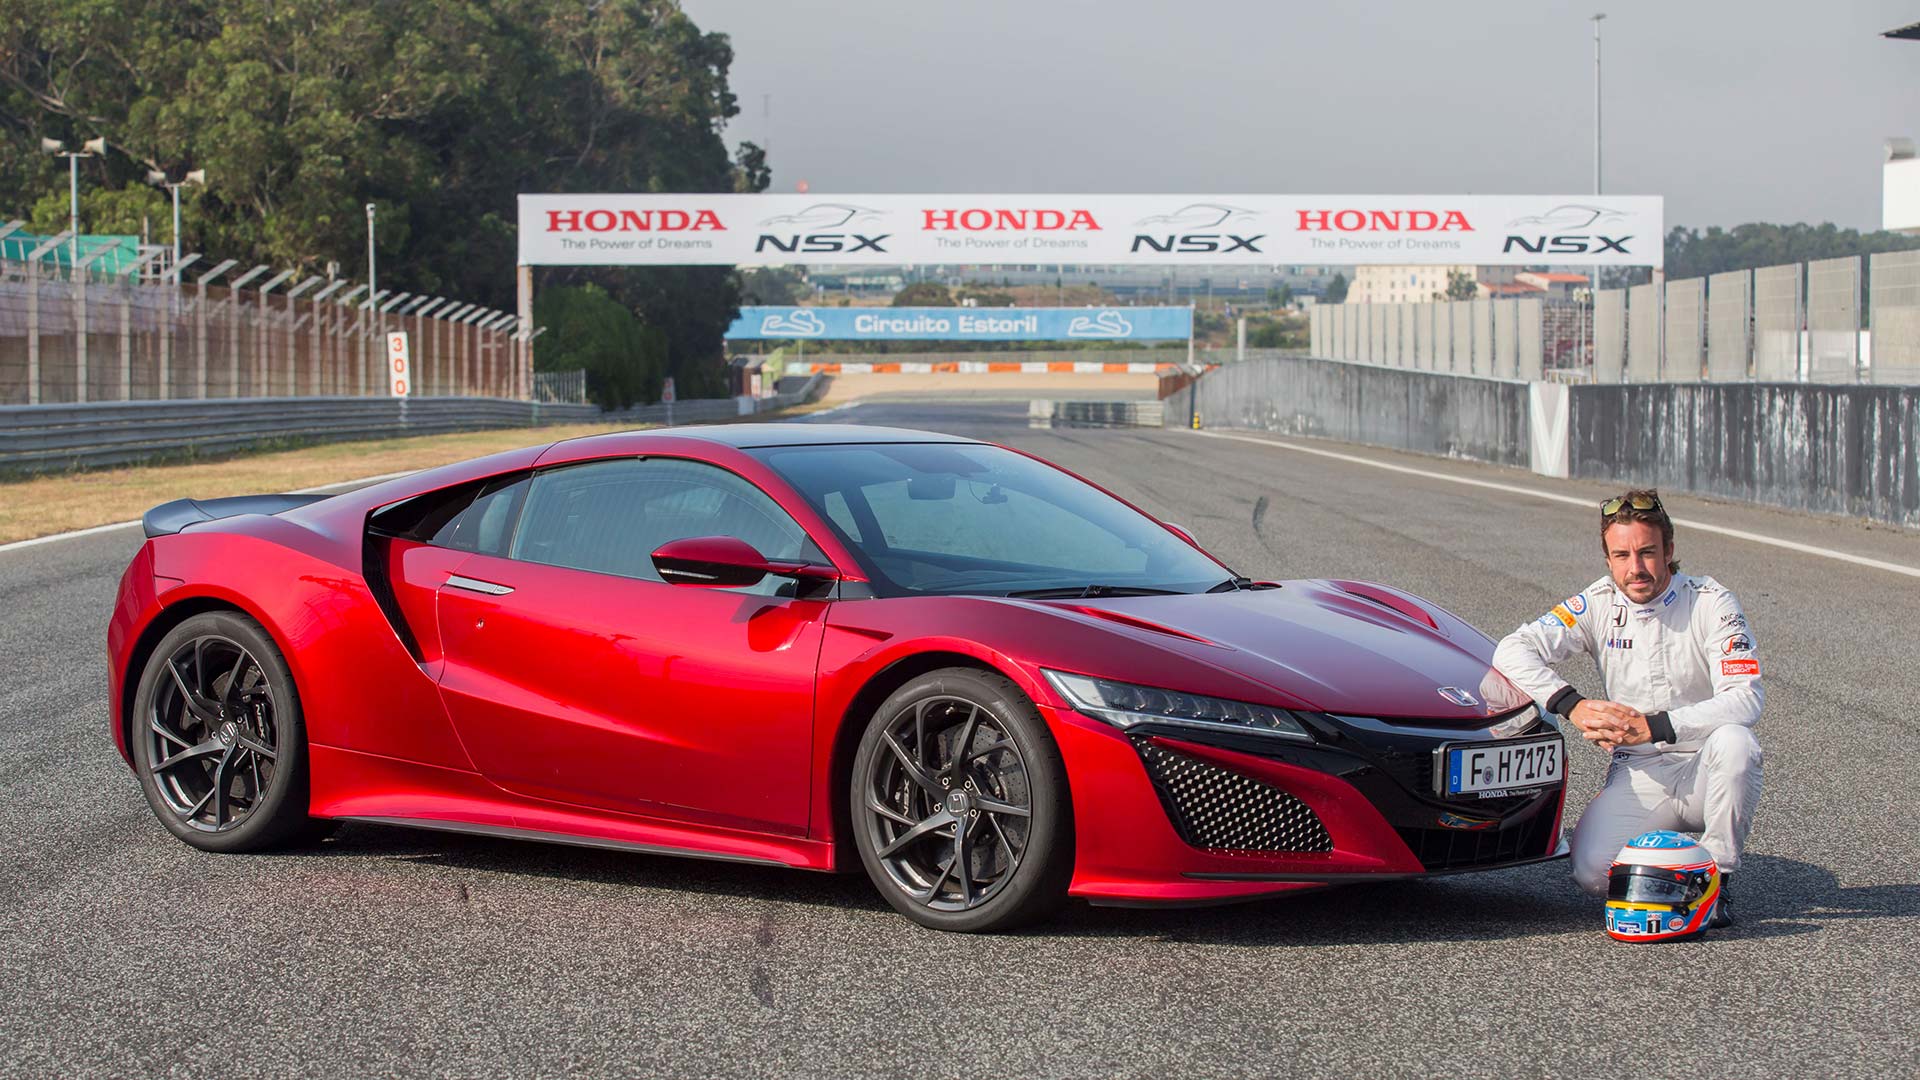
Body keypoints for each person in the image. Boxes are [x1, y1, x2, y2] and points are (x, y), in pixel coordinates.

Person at [1492, 489, 1763, 926]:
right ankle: (1675, 859)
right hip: (1639, 769)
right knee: (1592, 872)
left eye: (1647, 552)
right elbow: (1512, 649)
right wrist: (1572, 705)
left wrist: (1655, 726)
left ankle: (1717, 879)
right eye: (1621, 555)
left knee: (1738, 743)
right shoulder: (1597, 601)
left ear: (1669, 551)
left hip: (1704, 767)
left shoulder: (1712, 600)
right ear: (1608, 560)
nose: (1635, 568)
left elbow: (1746, 697)